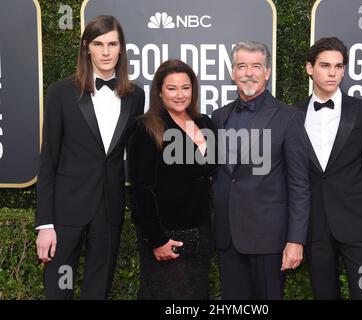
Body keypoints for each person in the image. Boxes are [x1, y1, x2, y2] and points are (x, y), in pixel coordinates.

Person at [35, 15, 145, 299]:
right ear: (87, 47)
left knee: (98, 289)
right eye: (98, 44)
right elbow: (48, 161)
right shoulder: (61, 93)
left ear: (121, 48)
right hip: (67, 211)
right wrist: (45, 224)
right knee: (60, 289)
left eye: (112, 44)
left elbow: (133, 154)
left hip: (109, 209)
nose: (106, 51)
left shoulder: (135, 96)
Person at [295, 37, 362, 299]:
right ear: (310, 68)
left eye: (339, 66)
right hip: (315, 229)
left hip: (358, 229)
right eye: (325, 65)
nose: (333, 73)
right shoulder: (293, 115)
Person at [211, 41, 310, 299]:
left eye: (256, 66)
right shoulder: (219, 116)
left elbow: (299, 183)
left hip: (268, 239)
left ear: (267, 72)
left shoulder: (288, 117)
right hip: (227, 236)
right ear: (233, 72)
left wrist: (296, 240)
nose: (249, 73)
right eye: (242, 66)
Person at [128, 59, 215, 300]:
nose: (180, 95)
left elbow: (210, 175)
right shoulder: (147, 127)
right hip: (167, 234)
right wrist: (157, 239)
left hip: (201, 230)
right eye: (172, 88)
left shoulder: (205, 123)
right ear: (159, 92)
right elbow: (141, 189)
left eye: (185, 88)